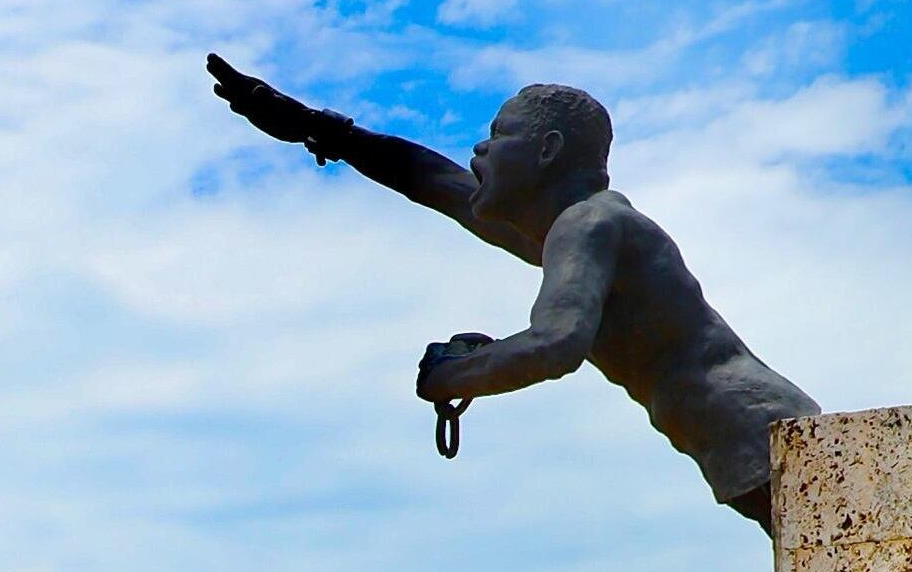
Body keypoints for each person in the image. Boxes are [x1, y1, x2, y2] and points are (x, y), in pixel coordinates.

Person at [206, 54, 819, 532]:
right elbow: (435, 182)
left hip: (761, 434)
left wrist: (452, 376)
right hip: (752, 436)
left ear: (547, 151)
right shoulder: (576, 230)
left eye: (497, 134)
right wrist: (320, 130)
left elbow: (555, 343)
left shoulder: (589, 225)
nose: (479, 149)